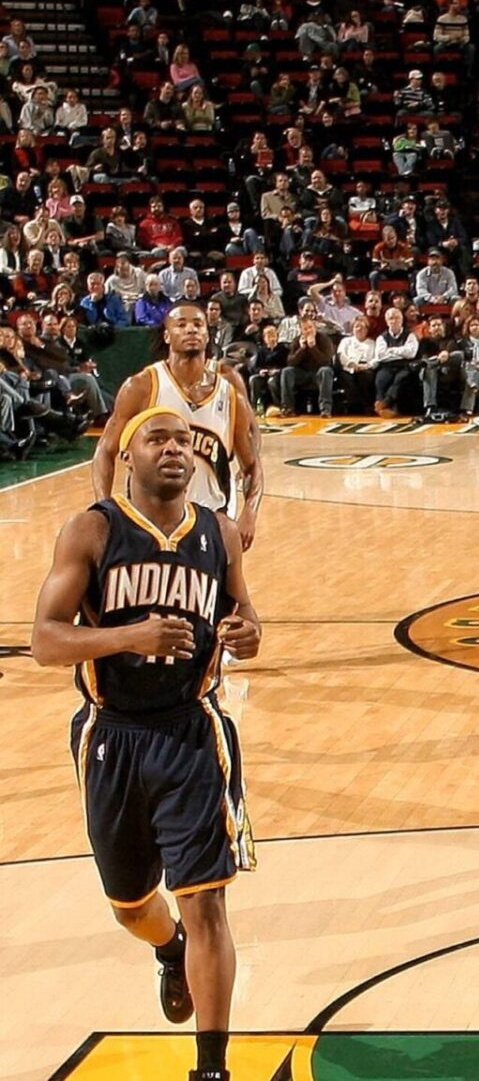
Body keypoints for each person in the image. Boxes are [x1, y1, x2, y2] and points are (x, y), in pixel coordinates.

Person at [32, 407, 262, 1081]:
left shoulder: (219, 532)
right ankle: (168, 947)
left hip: (194, 730)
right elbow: (45, 639)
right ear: (126, 457)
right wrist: (128, 637)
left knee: (207, 897)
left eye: (183, 440)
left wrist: (248, 630)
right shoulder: (93, 530)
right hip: (113, 734)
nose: (174, 449)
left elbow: (242, 611)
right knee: (131, 904)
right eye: (157, 439)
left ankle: (211, 1066)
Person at [92, 303, 263, 549]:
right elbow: (105, 451)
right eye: (181, 325)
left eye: (198, 324)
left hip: (211, 516)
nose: (191, 330)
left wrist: (250, 512)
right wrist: (104, 510)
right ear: (166, 335)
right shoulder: (142, 387)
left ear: (207, 335)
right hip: (148, 518)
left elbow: (253, 464)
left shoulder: (229, 393)